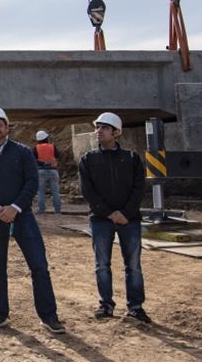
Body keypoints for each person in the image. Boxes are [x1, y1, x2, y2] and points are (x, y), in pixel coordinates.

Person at [0, 107, 65, 334]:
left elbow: (31, 182)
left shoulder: (22, 152)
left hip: (23, 216)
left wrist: (15, 207)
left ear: (6, 126)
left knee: (39, 265)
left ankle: (48, 315)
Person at [78, 112, 151, 324]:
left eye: (104, 127)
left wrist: (125, 213)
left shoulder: (131, 158)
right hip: (101, 220)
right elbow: (88, 191)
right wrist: (109, 213)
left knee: (133, 265)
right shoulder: (88, 159)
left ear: (115, 132)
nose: (98, 131)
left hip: (130, 220)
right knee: (102, 264)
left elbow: (139, 189)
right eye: (97, 127)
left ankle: (136, 307)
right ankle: (106, 305)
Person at [33, 130, 62, 214]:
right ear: (46, 138)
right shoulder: (52, 146)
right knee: (55, 191)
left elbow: (32, 160)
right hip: (53, 170)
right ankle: (57, 210)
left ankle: (41, 210)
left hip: (41, 171)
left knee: (41, 192)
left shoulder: (36, 148)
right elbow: (58, 155)